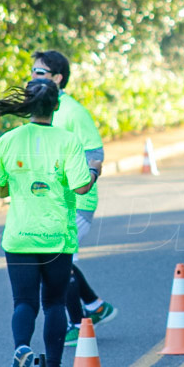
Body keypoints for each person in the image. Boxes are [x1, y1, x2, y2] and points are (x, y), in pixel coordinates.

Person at [0, 79, 97, 367]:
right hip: (57, 237)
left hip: (19, 237)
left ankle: (21, 347)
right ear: (56, 107)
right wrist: (95, 171)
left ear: (28, 106)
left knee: (24, 302)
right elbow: (80, 186)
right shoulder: (68, 140)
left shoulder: (9, 139)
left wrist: (14, 188)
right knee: (55, 304)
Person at [29, 50, 117, 347]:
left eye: (41, 73)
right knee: (59, 260)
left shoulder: (73, 112)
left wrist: (85, 181)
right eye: (33, 71)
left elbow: (95, 154)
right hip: (51, 202)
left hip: (76, 202)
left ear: (57, 78)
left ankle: (78, 322)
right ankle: (94, 306)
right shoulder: (43, 106)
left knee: (57, 260)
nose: (34, 76)